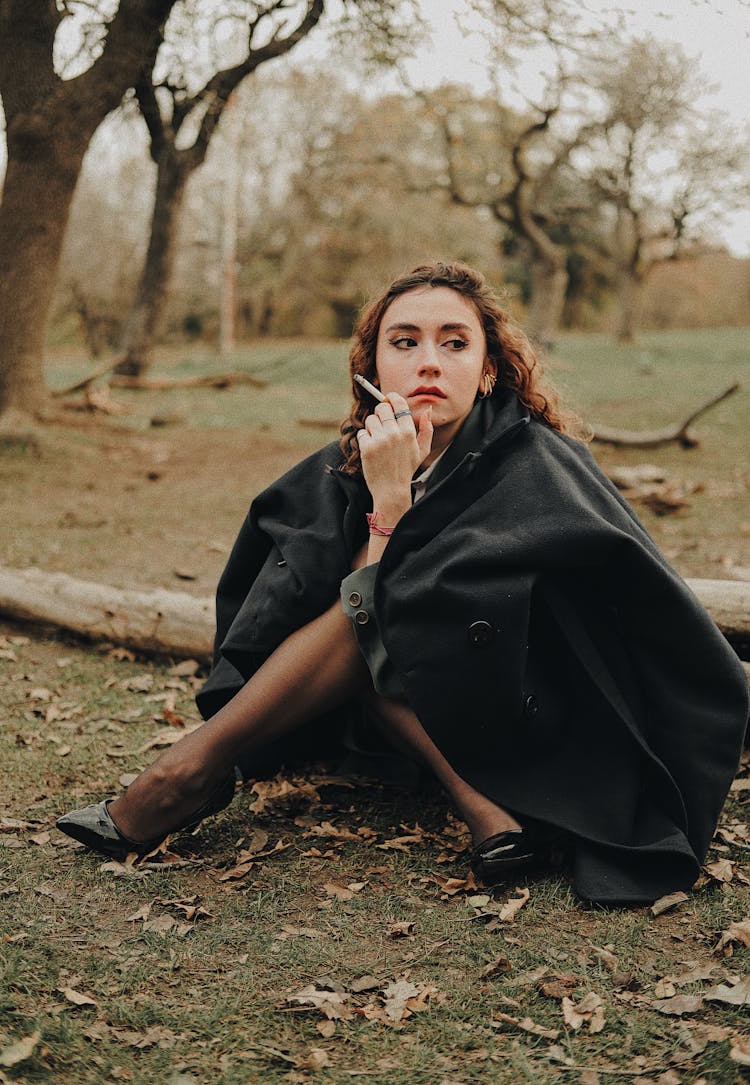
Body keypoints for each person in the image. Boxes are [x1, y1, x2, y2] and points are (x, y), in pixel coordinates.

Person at [57, 261, 749, 904]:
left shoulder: (539, 463)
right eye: (406, 341)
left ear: (486, 372)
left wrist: (390, 517)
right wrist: (387, 500)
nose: (428, 361)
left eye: (454, 344)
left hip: (544, 702)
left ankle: (187, 772)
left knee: (373, 614)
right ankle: (483, 806)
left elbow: (481, 615)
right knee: (363, 614)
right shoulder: (348, 463)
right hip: (423, 687)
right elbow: (321, 603)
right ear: (372, 366)